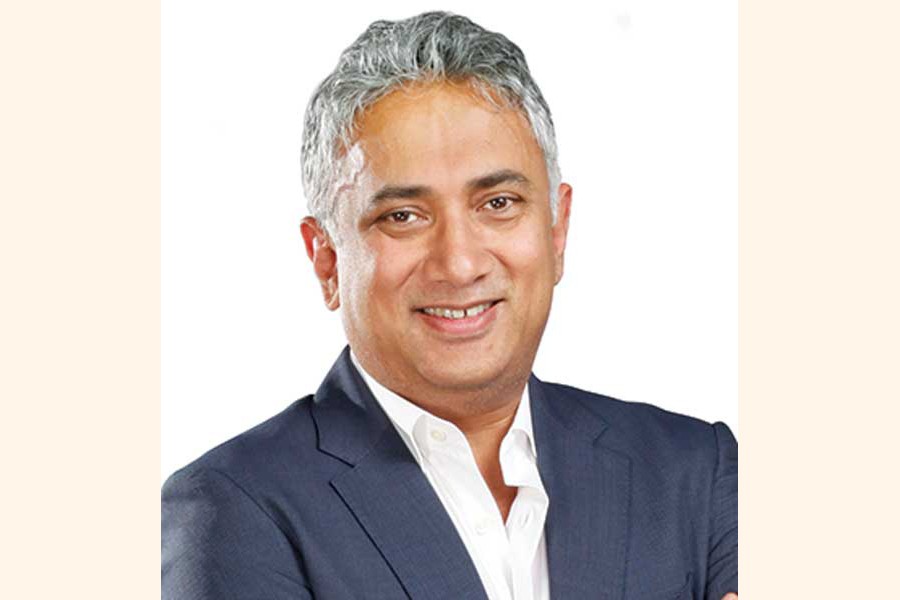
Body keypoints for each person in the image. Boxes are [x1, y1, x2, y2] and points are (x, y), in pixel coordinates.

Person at [162, 11, 737, 600]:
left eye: (498, 203)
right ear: (327, 259)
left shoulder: (697, 471)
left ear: (557, 230)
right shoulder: (233, 512)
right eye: (403, 216)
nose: (460, 264)